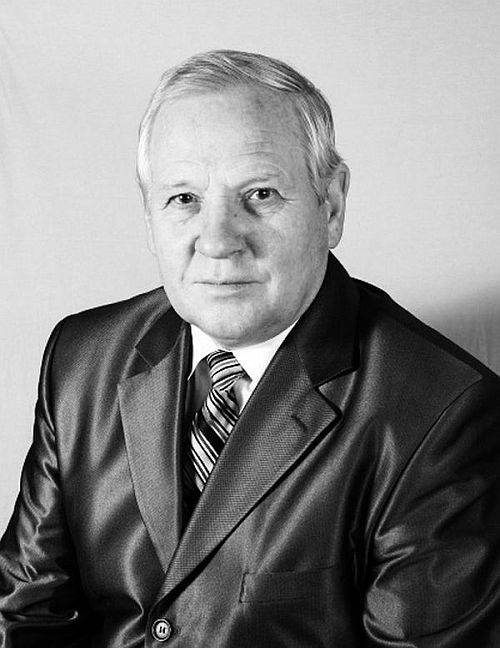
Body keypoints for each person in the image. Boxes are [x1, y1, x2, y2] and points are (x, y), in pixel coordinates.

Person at [1, 49, 499, 648]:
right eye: (184, 199)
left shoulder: (442, 414)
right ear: (149, 215)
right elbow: (24, 614)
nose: (217, 241)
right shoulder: (83, 358)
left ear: (331, 205)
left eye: (260, 194)